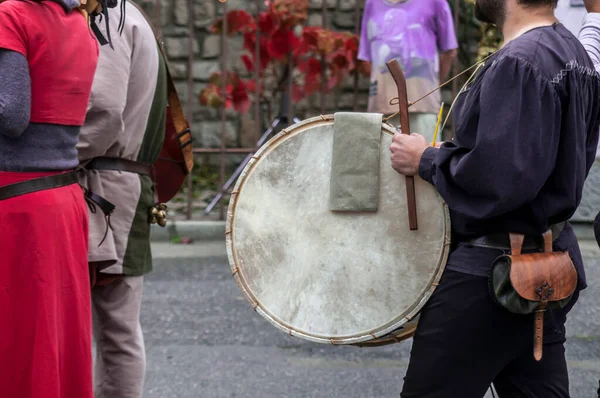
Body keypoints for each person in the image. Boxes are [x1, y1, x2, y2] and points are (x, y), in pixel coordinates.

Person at [389, 0, 600, 396]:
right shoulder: (570, 51)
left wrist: (426, 160)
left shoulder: (520, 62)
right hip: (545, 264)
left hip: (493, 274)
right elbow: (527, 160)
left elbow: (499, 180)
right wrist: (454, 153)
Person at [0, 0, 99, 397]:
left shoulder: (11, 15)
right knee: (53, 345)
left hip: (16, 206)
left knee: (20, 347)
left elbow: (11, 114)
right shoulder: (79, 23)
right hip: (63, 200)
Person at [77, 1, 168, 396]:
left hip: (107, 183)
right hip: (114, 180)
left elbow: (102, 112)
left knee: (115, 328)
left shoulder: (111, 18)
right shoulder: (127, 15)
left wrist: (50, 158)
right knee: (117, 326)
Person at [357, 0, 458, 142]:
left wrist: (429, 87)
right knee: (381, 162)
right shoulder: (372, 3)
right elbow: (366, 59)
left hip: (423, 106)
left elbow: (449, 52)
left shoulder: (436, 2)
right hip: (380, 109)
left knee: (423, 159)